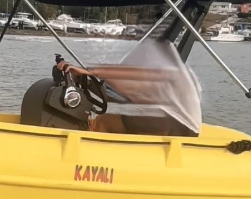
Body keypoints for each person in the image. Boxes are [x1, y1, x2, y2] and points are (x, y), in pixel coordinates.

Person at [56, 38, 202, 137]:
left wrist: (89, 71)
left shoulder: (170, 74)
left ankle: (95, 164)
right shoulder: (165, 78)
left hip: (175, 134)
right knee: (105, 118)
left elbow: (133, 78)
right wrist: (86, 81)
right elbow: (122, 95)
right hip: (167, 126)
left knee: (104, 122)